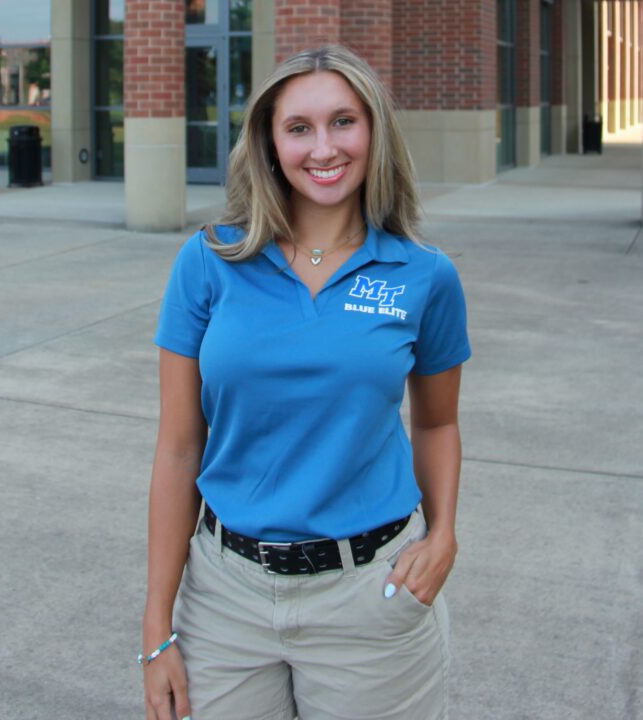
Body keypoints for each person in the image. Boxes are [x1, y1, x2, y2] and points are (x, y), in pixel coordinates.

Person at [140, 45, 471, 720]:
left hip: (369, 598)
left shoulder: (423, 275)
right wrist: (156, 629)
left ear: (374, 131)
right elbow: (179, 449)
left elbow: (436, 422)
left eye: (343, 122)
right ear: (269, 141)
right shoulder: (209, 261)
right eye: (298, 127)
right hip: (224, 598)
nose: (323, 147)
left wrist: (442, 535)